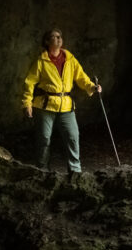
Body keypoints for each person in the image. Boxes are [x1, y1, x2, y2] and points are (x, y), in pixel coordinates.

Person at [21, 29, 102, 177]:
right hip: (45, 105)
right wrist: (27, 103)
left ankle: (75, 171)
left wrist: (92, 86)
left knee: (72, 136)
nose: (58, 39)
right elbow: (29, 83)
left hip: (66, 105)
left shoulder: (70, 59)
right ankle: (42, 171)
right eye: (54, 37)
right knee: (44, 138)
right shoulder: (41, 61)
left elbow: (81, 77)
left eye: (60, 36)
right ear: (46, 42)